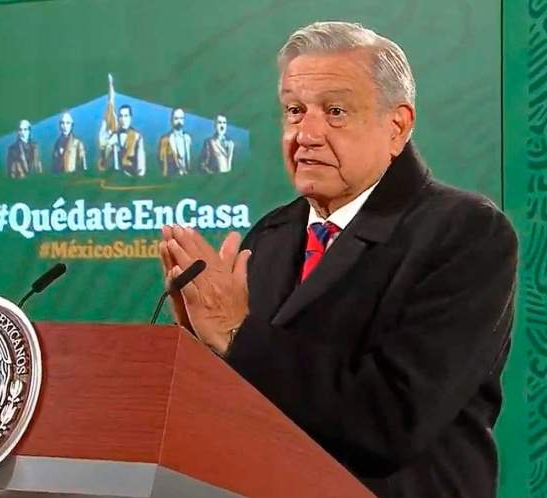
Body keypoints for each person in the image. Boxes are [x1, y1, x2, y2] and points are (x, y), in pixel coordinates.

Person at [159, 21, 517, 498]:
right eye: (294, 110)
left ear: (397, 126)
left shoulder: (466, 233)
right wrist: (203, 349)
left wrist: (238, 333)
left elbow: (391, 420)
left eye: (335, 112)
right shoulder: (270, 236)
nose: (306, 133)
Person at [100, 105, 146, 176]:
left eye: (126, 116)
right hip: (116, 176)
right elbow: (104, 162)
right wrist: (105, 147)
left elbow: (141, 164)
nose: (123, 119)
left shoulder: (137, 136)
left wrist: (139, 174)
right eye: (121, 116)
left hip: (132, 176)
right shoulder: (114, 136)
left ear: (130, 117)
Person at [158, 108, 192, 176]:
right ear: (171, 120)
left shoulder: (188, 138)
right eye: (176, 118)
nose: (179, 121)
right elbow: (161, 160)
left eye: (181, 118)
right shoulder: (165, 139)